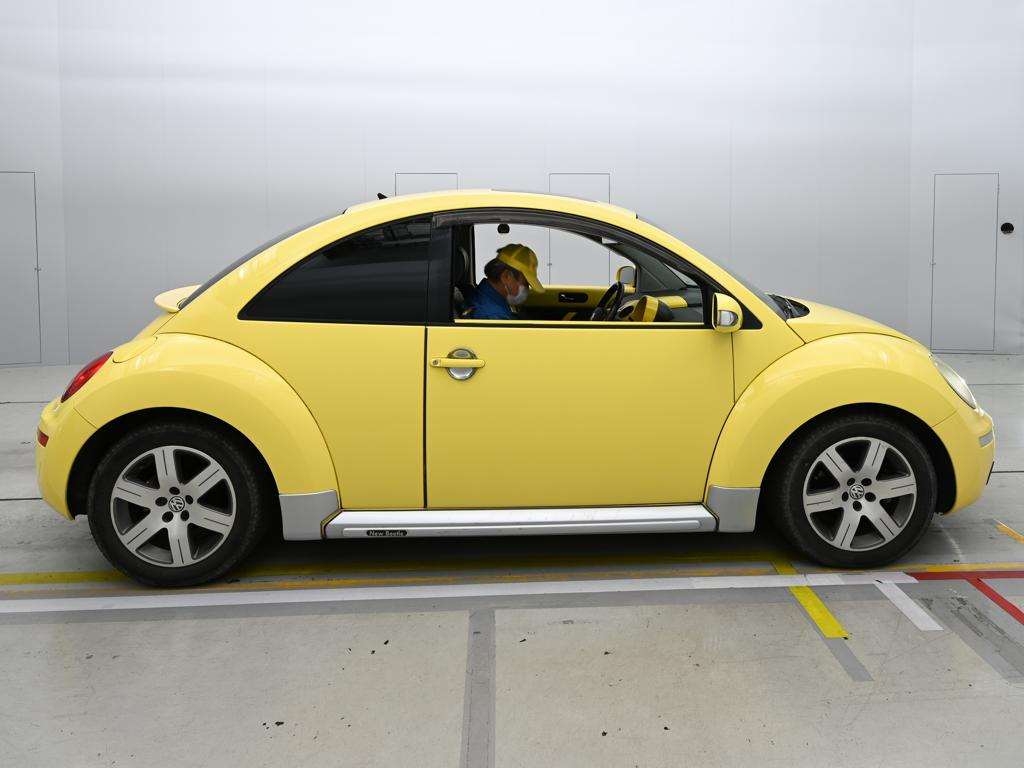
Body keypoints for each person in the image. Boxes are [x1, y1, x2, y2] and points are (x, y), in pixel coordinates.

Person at [468, 243, 545, 320]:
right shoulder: (494, 317)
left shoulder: (490, 299)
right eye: (525, 283)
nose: (527, 289)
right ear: (506, 276)